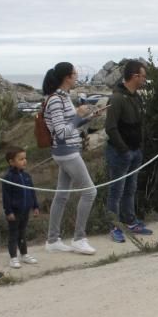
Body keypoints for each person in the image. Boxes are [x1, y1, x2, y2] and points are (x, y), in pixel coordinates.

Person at [42, 62, 98, 255]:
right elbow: (61, 132)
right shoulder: (57, 99)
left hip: (67, 151)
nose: (77, 77)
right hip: (66, 151)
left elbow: (69, 125)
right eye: (75, 74)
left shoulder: (63, 97)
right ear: (67, 77)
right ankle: (79, 238)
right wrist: (78, 117)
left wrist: (87, 118)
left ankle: (53, 239)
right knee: (90, 192)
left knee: (62, 195)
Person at [105, 60, 153, 243]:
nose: (144, 79)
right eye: (143, 76)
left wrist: (138, 146)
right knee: (116, 190)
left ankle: (130, 220)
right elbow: (110, 127)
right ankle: (114, 226)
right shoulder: (117, 98)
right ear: (135, 76)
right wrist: (123, 149)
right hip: (120, 152)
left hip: (135, 150)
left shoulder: (136, 97)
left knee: (130, 188)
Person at [1, 146, 40, 269]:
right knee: (14, 233)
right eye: (21, 159)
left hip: (25, 210)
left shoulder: (27, 176)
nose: (24, 161)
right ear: (11, 162)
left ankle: (24, 254)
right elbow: (6, 197)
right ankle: (13, 257)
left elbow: (32, 191)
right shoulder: (8, 178)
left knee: (22, 233)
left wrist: (35, 206)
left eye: (25, 158)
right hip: (14, 212)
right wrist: (9, 211)